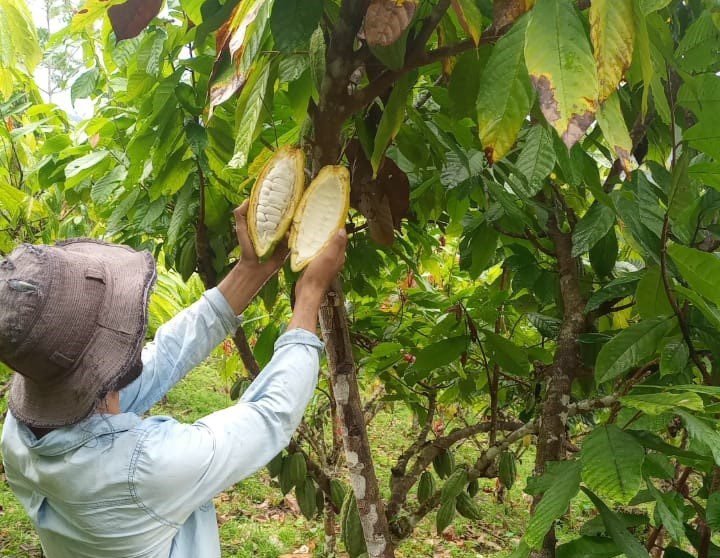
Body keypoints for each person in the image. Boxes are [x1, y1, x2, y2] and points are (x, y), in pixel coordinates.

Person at [0, 202, 348, 558]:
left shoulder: (17, 432)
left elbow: (163, 357)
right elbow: (271, 415)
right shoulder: (144, 469)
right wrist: (310, 293)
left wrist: (250, 270)